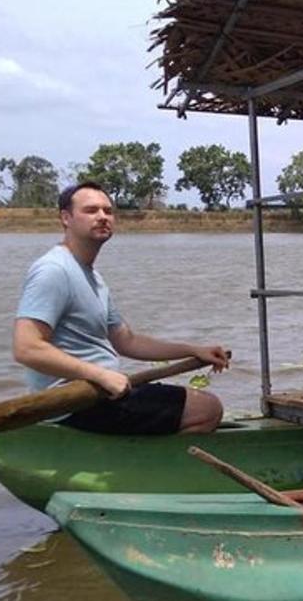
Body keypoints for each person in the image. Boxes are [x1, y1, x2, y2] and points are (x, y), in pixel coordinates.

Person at [13, 182, 230, 434]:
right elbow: (27, 348)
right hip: (74, 402)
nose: (102, 217)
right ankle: (148, 470)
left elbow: (127, 341)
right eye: (91, 210)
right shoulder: (54, 270)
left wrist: (193, 350)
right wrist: (100, 375)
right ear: (66, 218)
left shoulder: (92, 277)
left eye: (108, 211)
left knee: (192, 404)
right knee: (206, 409)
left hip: (102, 392)